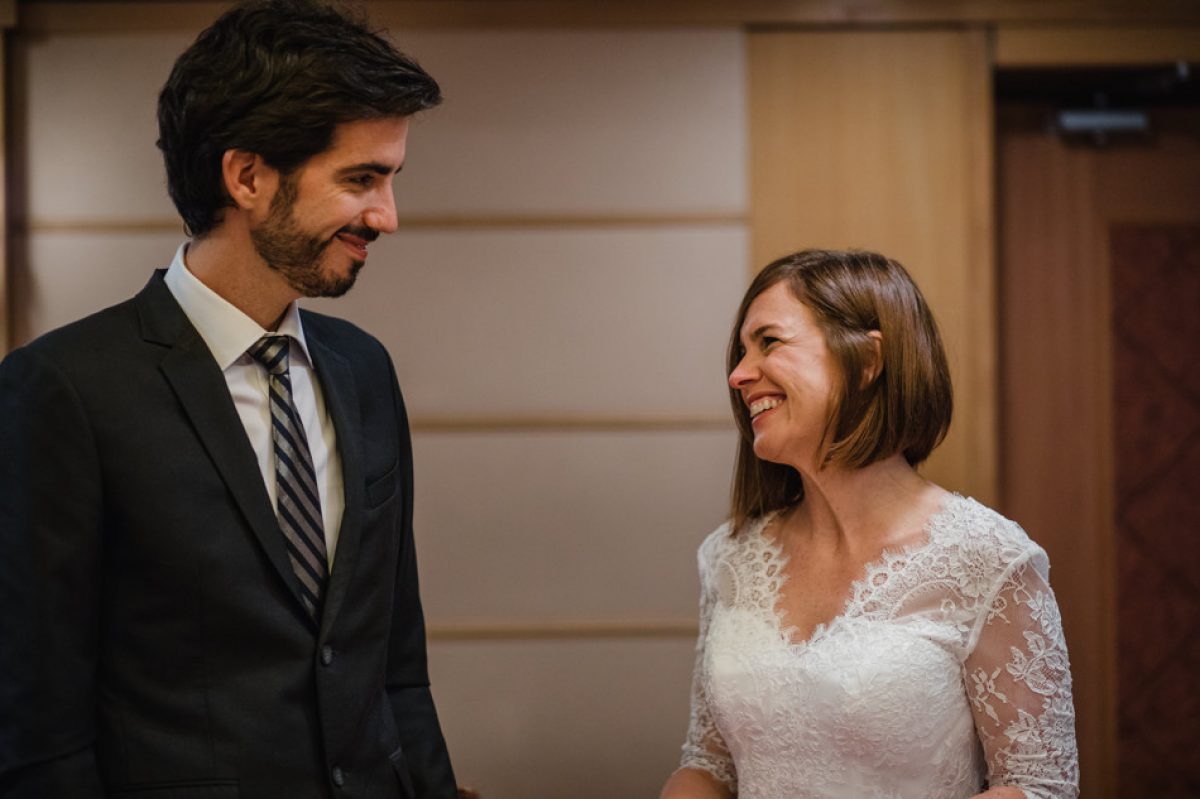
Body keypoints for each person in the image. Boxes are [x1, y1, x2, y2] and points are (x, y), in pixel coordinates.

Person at [0, 2, 459, 797]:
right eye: (361, 179)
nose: (387, 216)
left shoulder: (364, 370)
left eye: (391, 179)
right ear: (247, 176)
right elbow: (39, 730)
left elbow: (397, 670)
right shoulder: (62, 388)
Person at [660, 249, 1078, 799]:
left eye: (770, 342)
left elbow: (1038, 785)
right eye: (741, 352)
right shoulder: (730, 557)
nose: (739, 375)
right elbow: (709, 764)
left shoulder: (989, 558)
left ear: (867, 360)